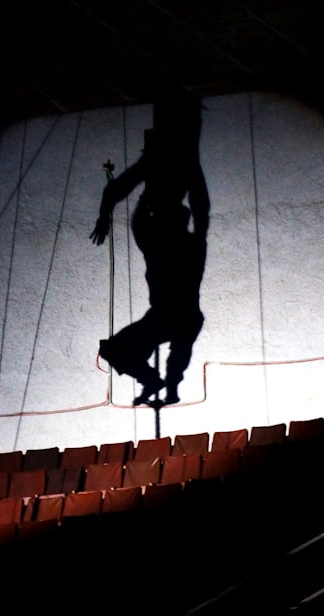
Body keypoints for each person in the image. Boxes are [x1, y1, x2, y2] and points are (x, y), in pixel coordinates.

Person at [91, 91, 210, 406]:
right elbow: (199, 206)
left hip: (174, 317)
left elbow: (125, 201)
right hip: (172, 317)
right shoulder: (188, 244)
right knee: (145, 348)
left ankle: (163, 385)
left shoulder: (168, 244)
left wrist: (121, 208)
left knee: (133, 348)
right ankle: (163, 385)